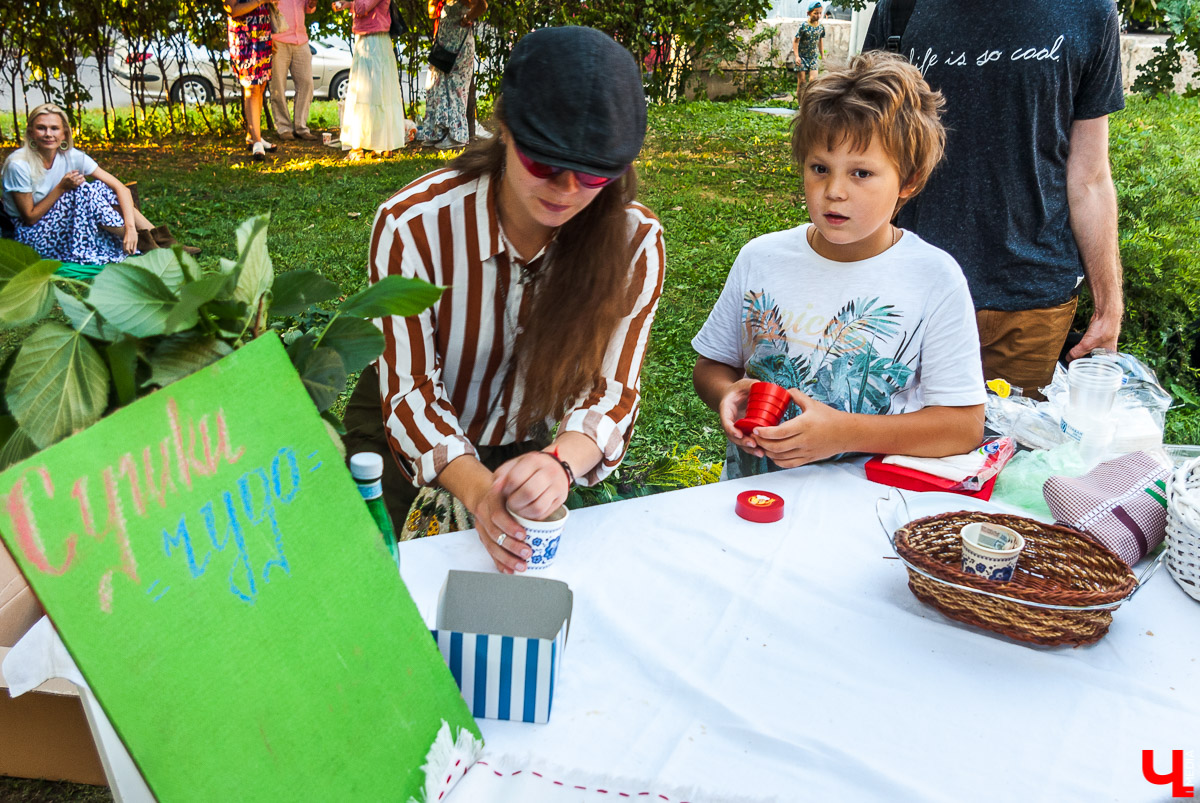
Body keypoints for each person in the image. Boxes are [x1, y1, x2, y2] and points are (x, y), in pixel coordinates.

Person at [342, 26, 664, 573]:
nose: (566, 190)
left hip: (527, 449)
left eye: (593, 175)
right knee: (384, 587)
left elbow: (613, 392)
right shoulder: (415, 226)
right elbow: (409, 391)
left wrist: (559, 465)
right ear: (504, 130)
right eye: (544, 164)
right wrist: (476, 489)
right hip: (405, 448)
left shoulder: (634, 244)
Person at [691, 51, 985, 480]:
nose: (834, 192)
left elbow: (962, 426)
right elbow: (712, 366)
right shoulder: (762, 257)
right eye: (819, 168)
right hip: (754, 491)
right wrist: (728, 393)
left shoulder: (934, 279)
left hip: (868, 506)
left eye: (861, 173)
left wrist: (845, 433)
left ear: (909, 180)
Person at [863, 0, 1125, 399]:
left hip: (1033, 304)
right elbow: (862, 154)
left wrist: (1109, 307)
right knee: (899, 451)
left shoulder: (1089, 11)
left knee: (1021, 457)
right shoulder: (903, 7)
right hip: (913, 292)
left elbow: (1090, 176)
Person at [2, 103, 197, 263]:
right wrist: (61, 187)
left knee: (101, 187)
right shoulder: (19, 165)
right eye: (41, 128)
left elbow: (120, 188)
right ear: (31, 133)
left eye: (54, 128)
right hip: (31, 235)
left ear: (64, 134)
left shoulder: (71, 156)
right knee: (83, 190)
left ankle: (161, 240)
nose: (48, 134)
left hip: (61, 224)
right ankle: (149, 244)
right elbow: (29, 218)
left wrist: (130, 228)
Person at [332, 0, 409, 158]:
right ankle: (377, 144)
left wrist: (350, 4)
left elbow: (362, 7)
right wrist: (347, 5)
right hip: (369, 40)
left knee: (373, 92)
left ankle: (375, 144)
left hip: (374, 42)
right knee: (370, 91)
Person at [417, 0, 487, 149]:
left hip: (459, 46)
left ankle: (457, 136)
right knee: (437, 85)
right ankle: (437, 132)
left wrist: (466, 18)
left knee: (455, 88)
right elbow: (431, 13)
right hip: (444, 45)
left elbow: (482, 5)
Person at [225, 0, 278, 161]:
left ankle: (253, 136)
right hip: (244, 38)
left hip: (262, 33)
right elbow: (232, 10)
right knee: (251, 88)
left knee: (260, 86)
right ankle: (256, 142)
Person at [269, 0, 319, 141]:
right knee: (278, 86)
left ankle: (301, 127)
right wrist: (268, 36)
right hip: (278, 39)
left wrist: (313, 3)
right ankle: (284, 128)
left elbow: (309, 9)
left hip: (300, 39)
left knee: (307, 84)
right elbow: (264, 8)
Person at [793, 1, 826, 98]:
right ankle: (800, 105)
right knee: (802, 82)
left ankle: (809, 103)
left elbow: (820, 41)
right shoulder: (803, 26)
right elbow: (795, 41)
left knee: (813, 81)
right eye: (815, 13)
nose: (818, 15)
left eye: (820, 13)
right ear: (809, 13)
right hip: (802, 57)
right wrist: (796, 56)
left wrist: (822, 55)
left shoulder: (821, 27)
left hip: (813, 58)